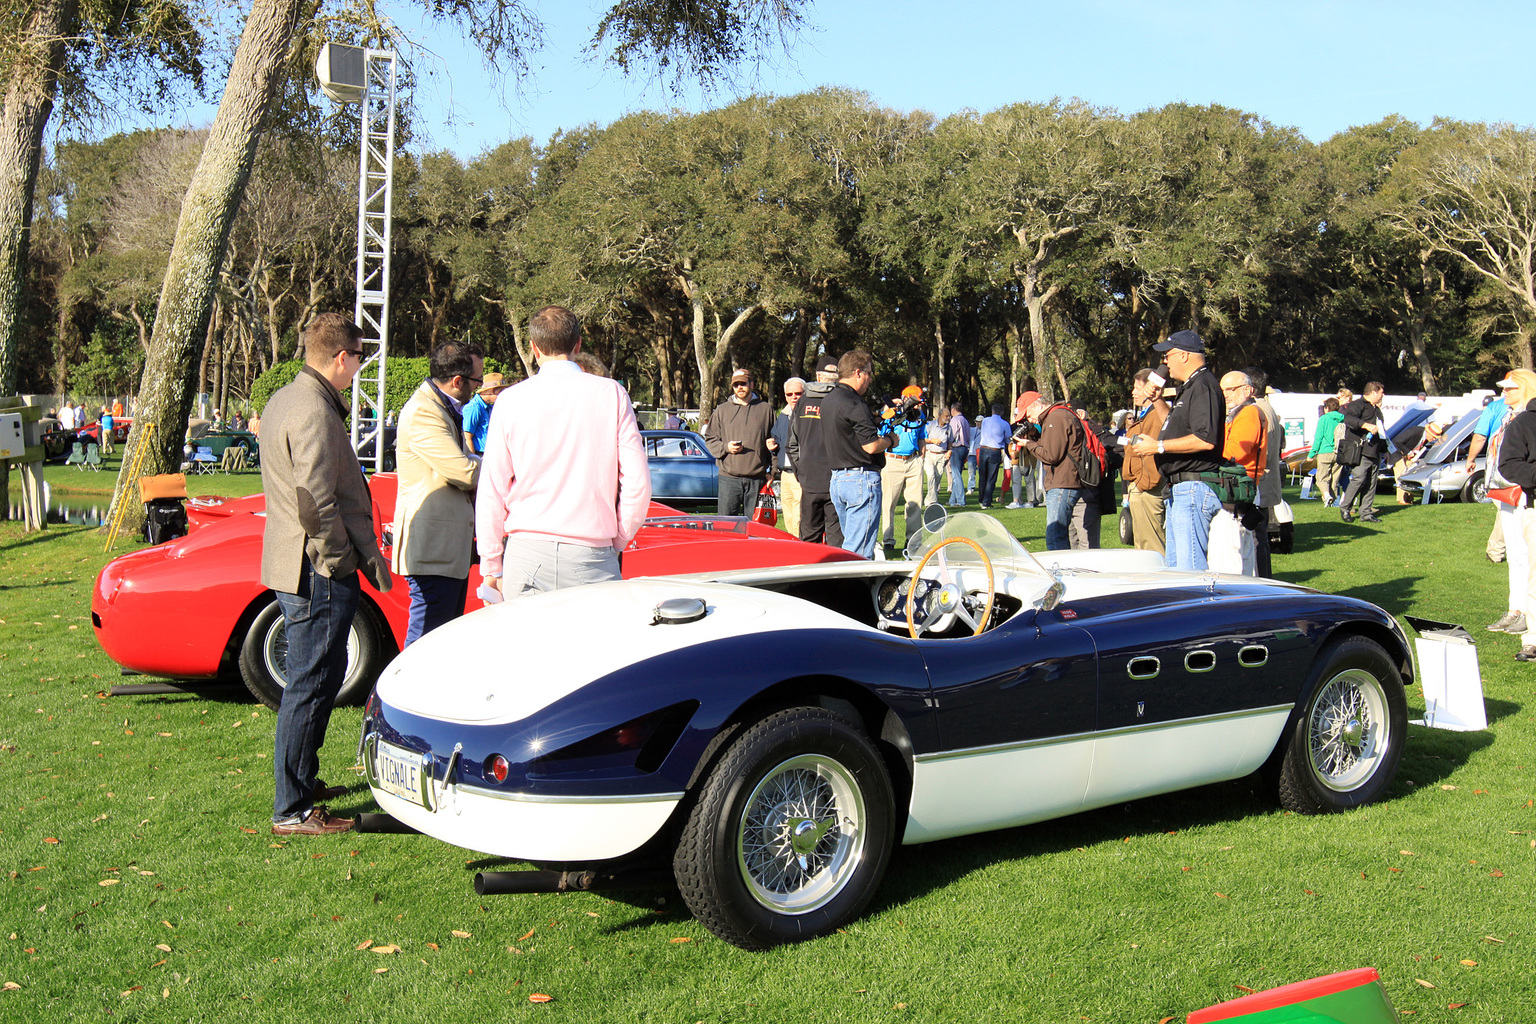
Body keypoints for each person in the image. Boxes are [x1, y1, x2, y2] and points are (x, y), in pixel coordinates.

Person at [260, 312, 393, 836]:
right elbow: (314, 500)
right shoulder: (313, 409)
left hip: (297, 561)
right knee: (310, 684)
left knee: (317, 679)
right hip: (315, 567)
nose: (359, 367)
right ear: (342, 358)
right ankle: (292, 809)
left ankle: (302, 786)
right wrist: (339, 560)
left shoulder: (286, 399)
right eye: (359, 358)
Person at [476, 307, 650, 597]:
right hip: (592, 551)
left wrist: (491, 564)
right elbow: (637, 482)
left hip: (526, 552)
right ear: (577, 344)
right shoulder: (612, 394)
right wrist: (618, 538)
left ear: (533, 348)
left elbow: (493, 488)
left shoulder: (510, 400)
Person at [392, 340, 484, 647]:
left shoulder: (442, 408)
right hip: (432, 551)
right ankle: (402, 695)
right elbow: (463, 472)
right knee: (424, 643)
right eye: (477, 381)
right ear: (458, 381)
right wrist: (494, 464)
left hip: (445, 550)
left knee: (439, 641)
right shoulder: (423, 412)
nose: (479, 388)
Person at [1130, 330, 1225, 571]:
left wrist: (1157, 446)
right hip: (1180, 489)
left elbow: (1205, 440)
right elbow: (1172, 427)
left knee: (1189, 570)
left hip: (1193, 487)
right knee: (1175, 569)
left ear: (1183, 356)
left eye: (1168, 355)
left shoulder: (1204, 386)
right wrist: (1157, 400)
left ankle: (1197, 609)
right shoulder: (1190, 386)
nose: (1164, 362)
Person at [822, 350, 896, 558]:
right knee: (859, 552)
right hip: (861, 479)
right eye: (869, 374)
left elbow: (849, 433)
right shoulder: (855, 403)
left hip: (838, 478)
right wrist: (891, 440)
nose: (870, 379)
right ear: (858, 372)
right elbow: (871, 446)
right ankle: (851, 588)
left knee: (850, 542)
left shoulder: (829, 401)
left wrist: (879, 417)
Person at [1482, 372, 1536, 634]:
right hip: (1504, 491)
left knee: (1526, 554)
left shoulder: (1528, 418)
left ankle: (1527, 611)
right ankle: (1515, 608)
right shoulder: (1507, 416)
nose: (1504, 393)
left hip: (1524, 492)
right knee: (1514, 554)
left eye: (1510, 388)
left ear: (1524, 388)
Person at [1016, 391, 1089, 551]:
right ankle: (1066, 569)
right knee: (1062, 535)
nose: (1029, 420)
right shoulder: (1059, 416)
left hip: (1063, 483)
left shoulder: (1056, 417)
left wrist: (1029, 444)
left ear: (1037, 405)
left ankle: (1060, 572)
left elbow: (1051, 455)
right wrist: (1035, 436)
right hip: (1064, 481)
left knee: (1055, 536)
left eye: (1027, 414)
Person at [1495, 384, 1536, 660]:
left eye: (1511, 388)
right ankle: (1533, 640)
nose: (1505, 392)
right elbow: (1508, 464)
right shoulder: (1524, 422)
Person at [704, 368, 777, 517]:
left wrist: (773, 471)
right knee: (727, 528)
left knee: (756, 529)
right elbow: (710, 439)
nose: (739, 388)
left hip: (757, 479)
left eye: (743, 384)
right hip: (729, 479)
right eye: (736, 385)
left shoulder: (766, 410)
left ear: (752, 384)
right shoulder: (721, 411)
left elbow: (775, 443)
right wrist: (726, 447)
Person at [788, 360, 843, 547]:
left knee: (809, 538)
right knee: (836, 537)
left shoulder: (802, 402)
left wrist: (801, 471)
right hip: (836, 478)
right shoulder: (842, 401)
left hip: (810, 480)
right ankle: (836, 575)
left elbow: (791, 444)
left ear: (818, 376)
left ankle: (810, 574)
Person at [1217, 371, 1267, 576]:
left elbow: (1236, 451)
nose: (1226, 394)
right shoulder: (1236, 414)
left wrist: (1209, 451)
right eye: (1223, 390)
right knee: (1240, 550)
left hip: (1239, 488)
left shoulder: (1248, 413)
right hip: (1237, 486)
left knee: (1234, 550)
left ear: (1247, 390)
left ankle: (1237, 593)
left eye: (1231, 389)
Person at [1122, 368, 1168, 555]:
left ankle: (1160, 582)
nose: (1133, 392)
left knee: (1152, 546)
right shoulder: (1146, 414)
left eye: (1137, 388)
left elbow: (1153, 450)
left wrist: (1142, 484)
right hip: (1140, 486)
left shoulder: (1157, 415)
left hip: (1148, 487)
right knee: (1142, 544)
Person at [879, 385, 927, 552]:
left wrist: (922, 456)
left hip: (913, 460)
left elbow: (921, 436)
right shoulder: (893, 411)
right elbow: (880, 427)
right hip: (893, 460)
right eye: (914, 402)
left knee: (915, 503)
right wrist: (889, 408)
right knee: (889, 502)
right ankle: (888, 540)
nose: (916, 406)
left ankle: (913, 540)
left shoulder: (919, 414)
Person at [1248, 369, 1283, 577]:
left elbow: (1262, 450)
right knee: (1259, 538)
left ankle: (1261, 582)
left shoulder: (1258, 411)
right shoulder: (1266, 408)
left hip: (1260, 482)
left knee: (1256, 539)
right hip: (1265, 481)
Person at [1339, 382, 1388, 524]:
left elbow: (1382, 431)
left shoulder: (1376, 410)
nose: (1382, 395)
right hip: (1361, 451)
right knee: (1359, 479)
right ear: (1373, 392)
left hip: (1375, 451)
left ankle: (1366, 513)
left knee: (1371, 483)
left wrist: (1385, 450)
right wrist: (1365, 425)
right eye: (1381, 392)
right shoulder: (1357, 404)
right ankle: (1345, 507)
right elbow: (1348, 419)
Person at [771, 378, 806, 538]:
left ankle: (802, 548)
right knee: (788, 516)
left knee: (799, 517)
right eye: (789, 394)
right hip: (785, 474)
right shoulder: (783, 416)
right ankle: (794, 545)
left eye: (798, 393)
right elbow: (776, 437)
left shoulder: (808, 416)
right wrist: (772, 444)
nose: (794, 397)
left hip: (801, 474)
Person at [460, 371, 509, 455]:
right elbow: (467, 437)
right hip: (480, 455)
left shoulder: (489, 407)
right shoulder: (474, 407)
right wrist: (474, 461)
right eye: (501, 392)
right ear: (493, 391)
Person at [973, 402, 1011, 509]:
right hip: (995, 450)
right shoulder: (1004, 424)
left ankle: (981, 499)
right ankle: (986, 501)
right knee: (991, 477)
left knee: (983, 476)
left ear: (992, 411)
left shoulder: (985, 421)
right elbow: (1008, 438)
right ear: (1002, 412)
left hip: (984, 449)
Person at [1309, 398, 1344, 505]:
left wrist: (1312, 453)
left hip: (1325, 451)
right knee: (1335, 478)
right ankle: (1333, 502)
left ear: (1326, 408)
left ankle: (1326, 495)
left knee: (1321, 478)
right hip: (1339, 452)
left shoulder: (1323, 419)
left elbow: (1318, 437)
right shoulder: (1342, 419)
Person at [923, 406, 950, 507]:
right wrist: (932, 441)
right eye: (946, 416)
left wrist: (949, 451)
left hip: (941, 455)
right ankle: (933, 501)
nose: (948, 418)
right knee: (931, 475)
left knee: (938, 478)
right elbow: (922, 439)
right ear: (940, 415)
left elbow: (950, 442)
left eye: (949, 416)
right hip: (929, 454)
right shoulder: (930, 425)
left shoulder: (949, 428)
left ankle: (928, 499)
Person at [946, 403, 970, 507]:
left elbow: (952, 434)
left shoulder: (955, 420)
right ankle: (952, 500)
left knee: (956, 475)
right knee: (957, 474)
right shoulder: (965, 420)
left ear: (953, 409)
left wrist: (947, 444)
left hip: (957, 447)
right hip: (964, 448)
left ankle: (960, 501)